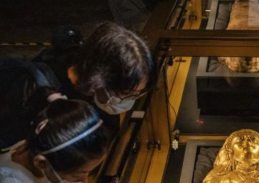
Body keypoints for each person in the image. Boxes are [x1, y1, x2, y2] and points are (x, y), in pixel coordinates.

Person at [0, 22, 154, 151]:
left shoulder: (92, 82)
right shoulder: (33, 93)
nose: (131, 100)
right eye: (128, 94)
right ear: (100, 81)